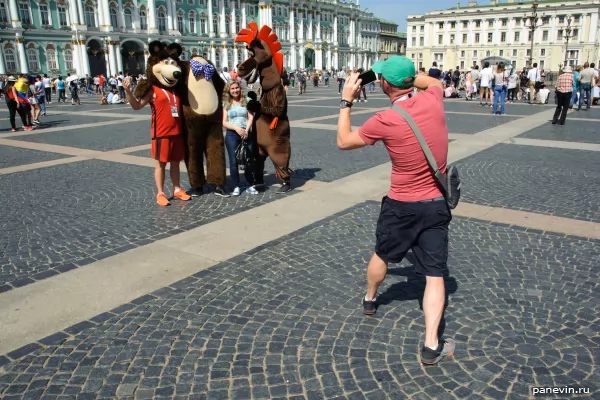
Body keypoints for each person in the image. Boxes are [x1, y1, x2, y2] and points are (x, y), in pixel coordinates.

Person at [336, 55, 454, 365]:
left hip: (401, 204)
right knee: (434, 274)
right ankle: (431, 344)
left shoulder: (384, 119)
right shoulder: (434, 99)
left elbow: (344, 141)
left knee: (382, 254)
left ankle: (371, 297)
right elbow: (433, 82)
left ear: (384, 84)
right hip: (435, 204)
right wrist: (407, 77)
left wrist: (346, 102)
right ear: (409, 81)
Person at [123, 77, 192, 206]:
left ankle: (177, 189)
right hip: (161, 133)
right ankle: (160, 193)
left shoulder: (175, 89)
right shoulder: (152, 90)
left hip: (177, 132)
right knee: (161, 164)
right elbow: (136, 106)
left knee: (176, 163)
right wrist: (128, 92)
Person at [222, 80, 258, 196]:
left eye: (236, 88)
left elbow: (251, 117)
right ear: (229, 90)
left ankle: (249, 184)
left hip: (246, 133)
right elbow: (224, 122)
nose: (235, 90)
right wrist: (236, 128)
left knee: (248, 160)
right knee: (233, 162)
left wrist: (246, 130)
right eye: (232, 89)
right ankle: (236, 185)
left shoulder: (247, 101)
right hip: (232, 134)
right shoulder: (226, 103)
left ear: (240, 88)